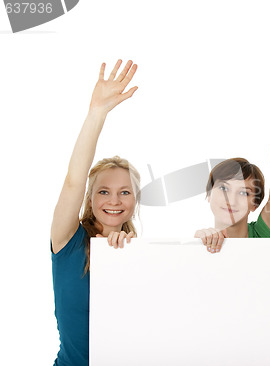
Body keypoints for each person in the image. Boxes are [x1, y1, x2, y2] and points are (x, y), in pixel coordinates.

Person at [50, 60, 140, 366]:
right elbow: (74, 180)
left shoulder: (139, 254)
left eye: (124, 192)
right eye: (104, 191)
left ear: (135, 200)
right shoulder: (67, 241)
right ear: (90, 199)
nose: (114, 200)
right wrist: (97, 112)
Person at [195, 52, 270, 253]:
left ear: (255, 205)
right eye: (224, 189)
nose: (231, 200)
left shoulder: (265, 234)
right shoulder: (197, 243)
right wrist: (197, 247)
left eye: (244, 192)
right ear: (209, 194)